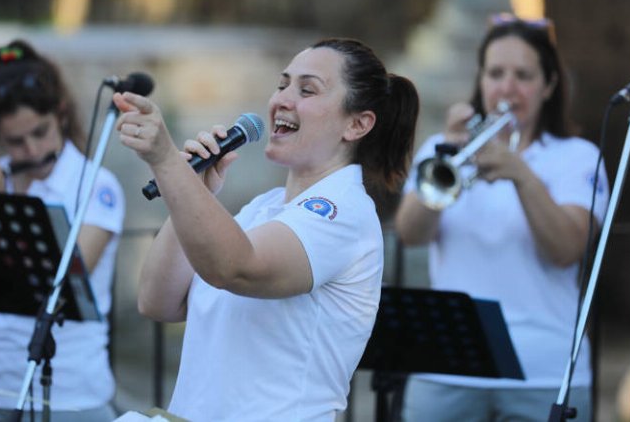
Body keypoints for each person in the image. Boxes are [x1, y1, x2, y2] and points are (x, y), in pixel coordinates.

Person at [113, 37, 419, 420]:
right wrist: (192, 189)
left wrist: (167, 164)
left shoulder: (343, 211)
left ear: (357, 124)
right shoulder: (264, 207)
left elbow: (236, 267)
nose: (282, 100)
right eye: (282, 85)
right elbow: (157, 301)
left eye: (307, 90)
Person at [394, 13, 611, 421]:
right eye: (495, 73)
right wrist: (451, 152)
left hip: (542, 374)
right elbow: (410, 232)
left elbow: (566, 249)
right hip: (448, 366)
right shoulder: (445, 146)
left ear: (548, 85)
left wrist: (520, 174)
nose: (507, 88)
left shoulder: (578, 156)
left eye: (523, 75)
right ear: (481, 81)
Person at [0, 39, 125, 421]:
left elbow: (65, 281)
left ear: (60, 114)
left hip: (66, 391)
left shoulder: (96, 184)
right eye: (15, 141)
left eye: (40, 133)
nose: (31, 150)